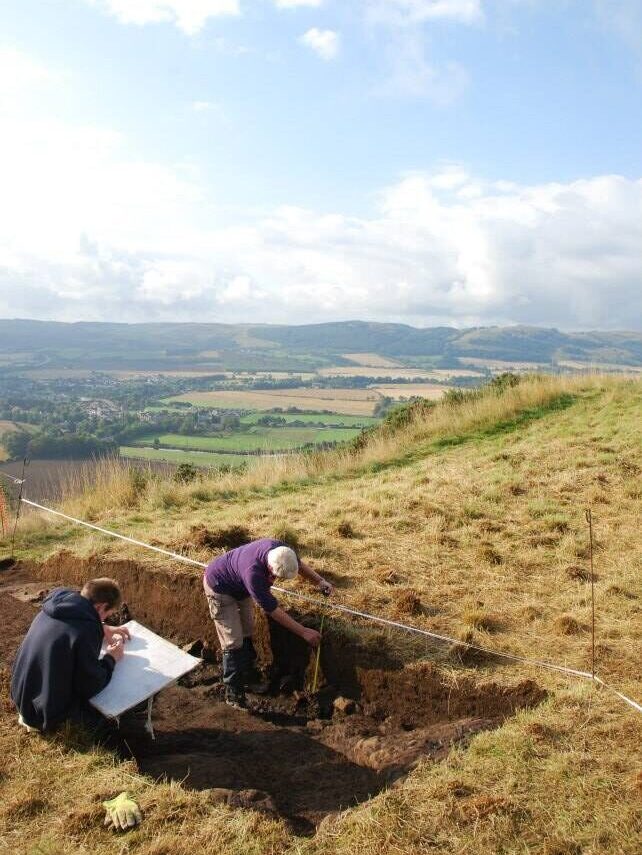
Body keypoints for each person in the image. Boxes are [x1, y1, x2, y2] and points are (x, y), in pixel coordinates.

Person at [203, 538, 334, 708]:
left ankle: (249, 677)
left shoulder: (282, 550)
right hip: (219, 587)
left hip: (239, 586)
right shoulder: (254, 575)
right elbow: (273, 611)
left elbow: (298, 564)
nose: (276, 581)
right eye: (276, 577)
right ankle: (233, 692)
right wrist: (303, 632)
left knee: (247, 629)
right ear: (270, 568)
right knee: (233, 641)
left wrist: (319, 581)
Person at [10, 577, 130, 734]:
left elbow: (71, 627)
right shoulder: (86, 629)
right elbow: (90, 684)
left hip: (22, 697)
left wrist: (103, 627)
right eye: (106, 615)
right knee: (104, 717)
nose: (104, 620)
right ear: (101, 607)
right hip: (43, 715)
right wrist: (111, 658)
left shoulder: (55, 607)